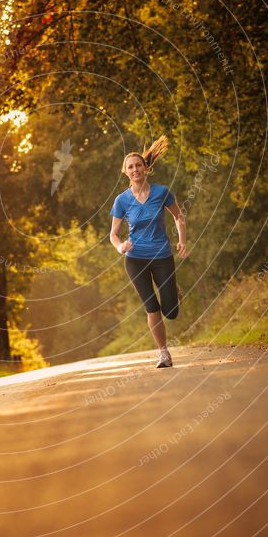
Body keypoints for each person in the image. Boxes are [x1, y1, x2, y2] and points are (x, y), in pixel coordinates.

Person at [109, 135, 187, 368]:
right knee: (151, 306)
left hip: (162, 256)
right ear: (125, 172)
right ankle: (163, 353)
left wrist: (183, 240)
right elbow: (113, 234)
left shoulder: (161, 192)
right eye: (130, 167)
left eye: (138, 165)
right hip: (135, 260)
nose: (135, 170)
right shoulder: (122, 200)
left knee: (171, 311)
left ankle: (173, 290)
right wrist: (120, 246)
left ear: (146, 168)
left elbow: (178, 216)